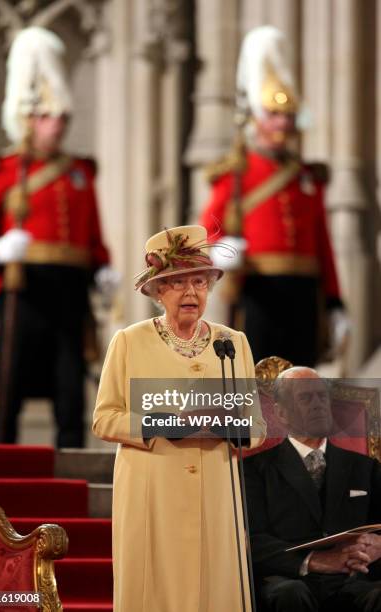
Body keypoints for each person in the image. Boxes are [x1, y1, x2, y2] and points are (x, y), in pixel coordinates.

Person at [92, 225, 267, 612]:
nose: (191, 293)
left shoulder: (232, 343)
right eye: (178, 283)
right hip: (152, 488)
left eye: (200, 282)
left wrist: (224, 422)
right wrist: (165, 423)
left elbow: (256, 428)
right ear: (157, 291)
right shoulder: (129, 341)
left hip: (215, 491)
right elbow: (105, 419)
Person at [0, 27, 118, 447]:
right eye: (49, 117)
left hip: (70, 294)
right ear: (28, 118)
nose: (58, 126)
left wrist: (103, 265)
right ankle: (2, 472)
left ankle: (71, 467)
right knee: (10, 386)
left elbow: (93, 233)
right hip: (23, 289)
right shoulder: (1, 171)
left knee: (70, 390)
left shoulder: (80, 173)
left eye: (62, 117)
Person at [200, 26, 347, 367]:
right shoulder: (236, 172)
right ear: (254, 116)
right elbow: (209, 227)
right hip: (258, 290)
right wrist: (221, 252)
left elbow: (322, 244)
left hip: (305, 295)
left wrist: (335, 302)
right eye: (273, 114)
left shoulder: (307, 177)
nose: (282, 123)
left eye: (288, 115)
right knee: (258, 381)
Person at [243, 366, 381, 612]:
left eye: (322, 397)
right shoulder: (253, 469)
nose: (318, 404)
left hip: (355, 578)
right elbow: (251, 539)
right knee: (289, 594)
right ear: (281, 413)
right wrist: (315, 561)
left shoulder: (366, 467)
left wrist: (377, 545)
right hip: (290, 579)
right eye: (305, 398)